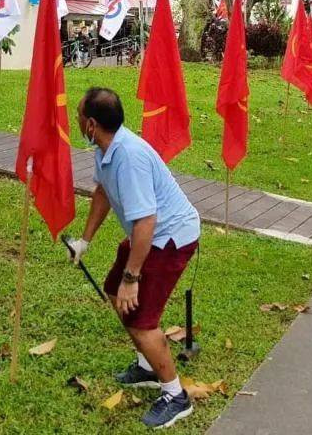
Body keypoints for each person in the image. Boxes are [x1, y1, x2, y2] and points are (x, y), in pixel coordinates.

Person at [67, 88, 199, 429]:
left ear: (92, 124)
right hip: (148, 237)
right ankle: (147, 366)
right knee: (114, 292)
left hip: (169, 238)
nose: (76, 120)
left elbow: (146, 221)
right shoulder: (105, 148)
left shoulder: (129, 156)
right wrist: (85, 240)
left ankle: (175, 395)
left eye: (79, 115)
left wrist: (133, 278)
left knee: (141, 320)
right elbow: (103, 192)